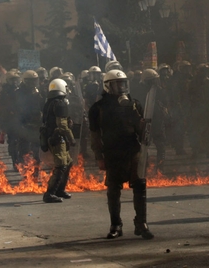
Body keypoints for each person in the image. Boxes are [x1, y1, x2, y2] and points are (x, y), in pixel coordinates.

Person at [88, 70, 154, 240]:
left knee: (139, 185)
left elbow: (142, 131)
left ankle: (141, 223)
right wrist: (99, 157)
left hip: (133, 150)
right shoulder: (98, 108)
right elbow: (95, 135)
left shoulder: (134, 104)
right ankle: (116, 224)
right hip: (112, 152)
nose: (121, 87)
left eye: (124, 83)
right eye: (117, 84)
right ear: (108, 86)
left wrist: (140, 122)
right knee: (114, 189)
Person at [41, 78, 76, 203]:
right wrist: (71, 138)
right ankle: (49, 193)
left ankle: (60, 190)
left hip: (54, 137)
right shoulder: (60, 103)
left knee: (68, 163)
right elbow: (62, 125)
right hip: (57, 138)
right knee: (61, 165)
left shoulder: (49, 103)